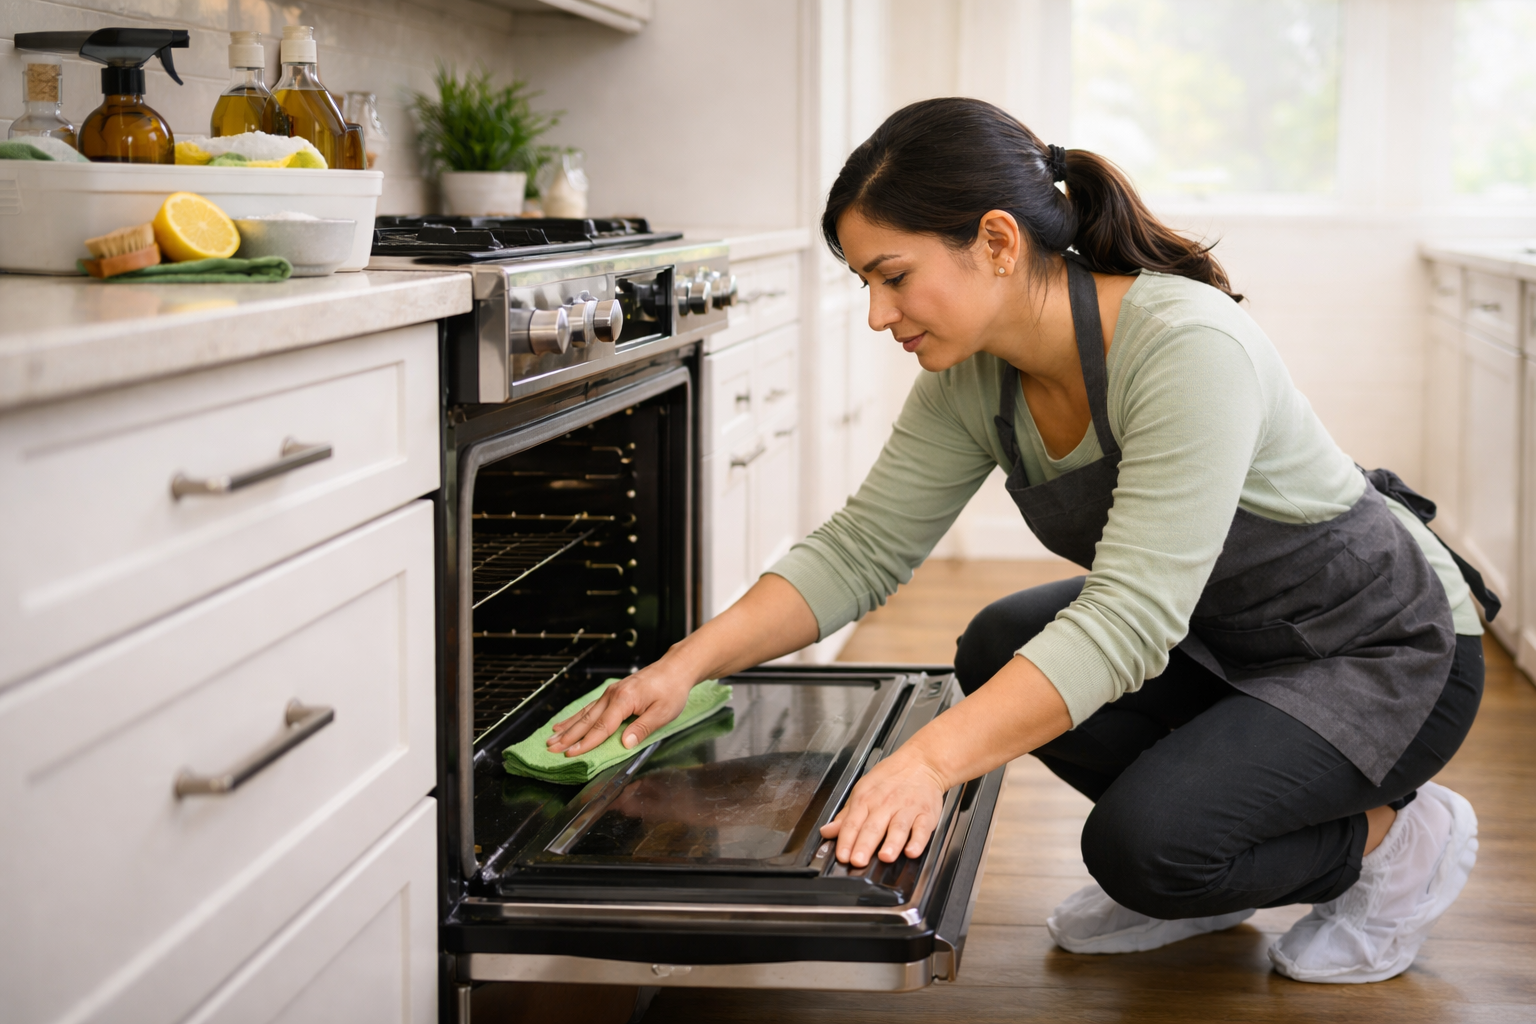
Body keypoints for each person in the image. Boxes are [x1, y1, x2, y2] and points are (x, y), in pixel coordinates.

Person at [546, 97, 1488, 983]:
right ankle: (1217, 861)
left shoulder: (1185, 345)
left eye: (893, 275)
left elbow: (1128, 617)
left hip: (1383, 649)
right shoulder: (971, 380)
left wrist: (926, 761)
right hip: (1225, 634)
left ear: (996, 242)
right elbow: (860, 549)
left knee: (1144, 849)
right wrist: (682, 669)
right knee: (997, 642)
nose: (879, 314)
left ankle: (1396, 841)